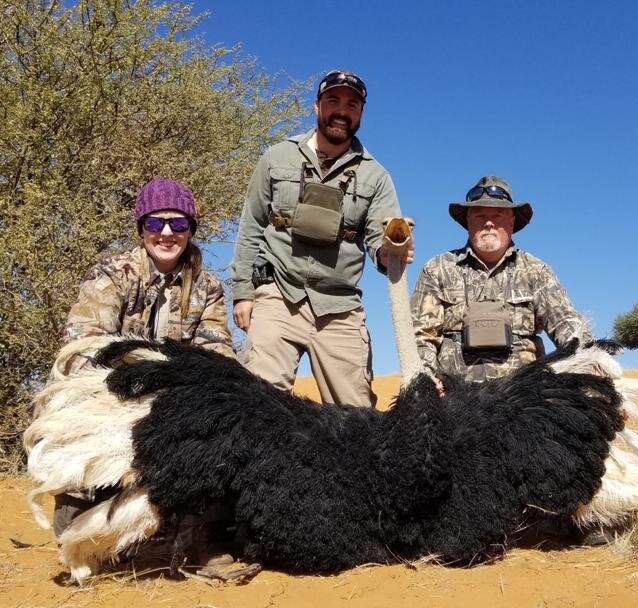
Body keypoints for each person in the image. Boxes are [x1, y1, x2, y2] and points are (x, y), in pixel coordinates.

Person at [56, 177, 235, 537]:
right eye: (156, 223)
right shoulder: (111, 273)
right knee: (74, 532)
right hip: (110, 397)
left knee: (229, 405)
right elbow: (80, 347)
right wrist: (139, 379)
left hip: (172, 403)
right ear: (142, 229)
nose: (167, 233)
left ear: (190, 230)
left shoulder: (208, 286)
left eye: (178, 223)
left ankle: (201, 529)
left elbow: (218, 355)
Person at [230, 69, 409, 406]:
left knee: (356, 416)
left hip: (339, 306)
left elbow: (380, 241)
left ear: (361, 114)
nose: (342, 111)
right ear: (317, 106)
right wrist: (243, 292)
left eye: (352, 105)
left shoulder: (377, 176)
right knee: (256, 406)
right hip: (278, 295)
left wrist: (391, 250)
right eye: (333, 101)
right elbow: (251, 224)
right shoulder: (276, 157)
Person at [410, 175, 593, 386]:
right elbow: (420, 337)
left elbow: (567, 325)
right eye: (479, 216)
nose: (488, 223)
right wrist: (426, 382)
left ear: (512, 221)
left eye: (497, 216)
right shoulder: (438, 268)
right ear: (467, 222)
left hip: (525, 400)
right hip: (454, 400)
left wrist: (591, 363)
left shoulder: (537, 271)